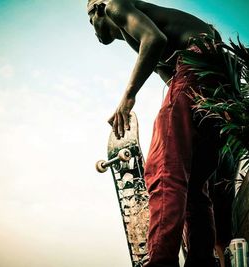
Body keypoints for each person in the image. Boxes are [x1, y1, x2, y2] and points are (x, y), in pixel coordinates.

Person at [87, 0, 224, 266]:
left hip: (197, 60)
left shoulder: (114, 5)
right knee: (195, 184)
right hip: (218, 80)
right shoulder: (133, 34)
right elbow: (168, 74)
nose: (91, 28)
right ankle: (201, 260)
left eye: (89, 19)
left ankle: (161, 259)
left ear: (97, 9)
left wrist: (128, 97)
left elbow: (154, 39)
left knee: (165, 168)